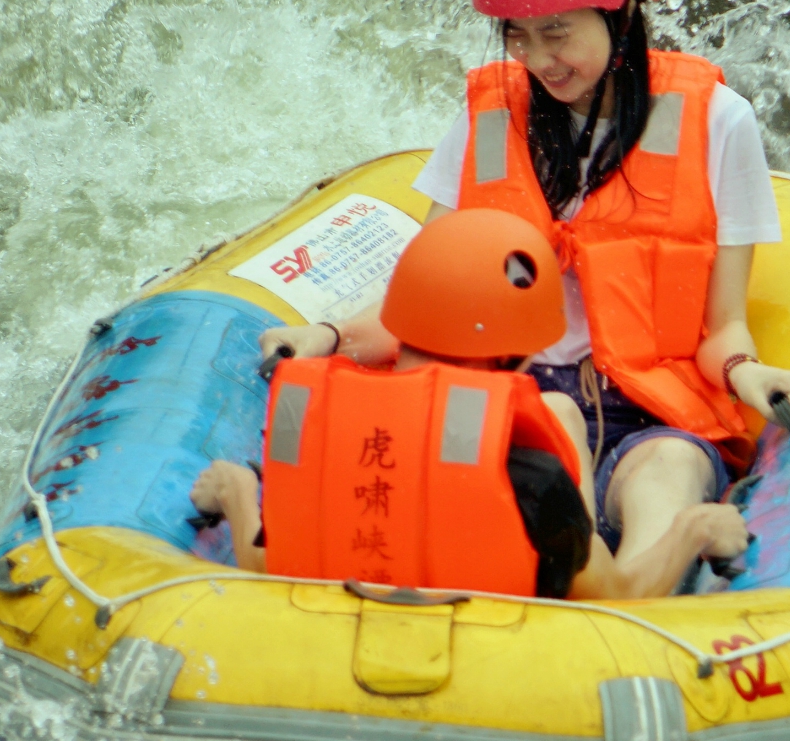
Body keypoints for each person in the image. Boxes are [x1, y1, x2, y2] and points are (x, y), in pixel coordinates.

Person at [259, 0, 790, 578]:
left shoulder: (719, 121)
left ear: (622, 10)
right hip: (512, 393)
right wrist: (327, 337)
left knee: (668, 466)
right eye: (518, 35)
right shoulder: (489, 120)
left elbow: (721, 327)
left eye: (557, 32)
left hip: (653, 408)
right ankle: (586, 578)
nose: (538, 59)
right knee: (552, 414)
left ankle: (637, 581)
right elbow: (425, 304)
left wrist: (744, 373)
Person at [192, 210, 746, 599]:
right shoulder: (532, 474)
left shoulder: (312, 424)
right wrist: (694, 529)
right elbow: (610, 599)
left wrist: (238, 493)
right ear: (515, 358)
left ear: (399, 324)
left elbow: (272, 564)